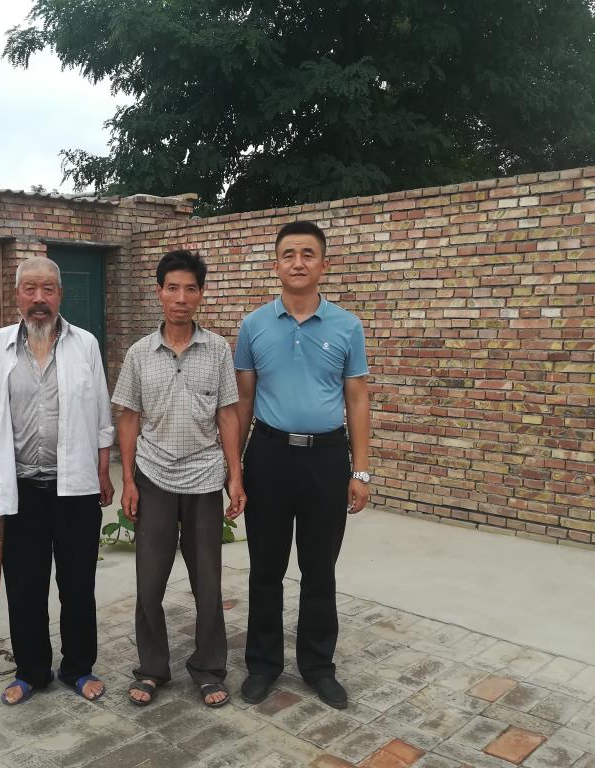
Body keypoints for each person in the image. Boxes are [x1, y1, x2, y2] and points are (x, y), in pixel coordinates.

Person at [235, 221, 371, 710]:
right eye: (289, 254)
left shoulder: (347, 326)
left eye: (308, 254)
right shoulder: (253, 326)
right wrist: (235, 468)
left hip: (327, 458)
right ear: (276, 264)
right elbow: (243, 399)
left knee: (319, 569)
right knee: (265, 568)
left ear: (323, 264)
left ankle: (317, 666)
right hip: (268, 456)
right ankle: (263, 664)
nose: (298, 262)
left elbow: (357, 399)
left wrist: (361, 470)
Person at [0, 255, 115, 706]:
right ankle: (31, 670)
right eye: (30, 289)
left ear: (60, 294)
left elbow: (101, 413)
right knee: (24, 586)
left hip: (75, 488)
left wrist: (103, 471)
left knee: (77, 585)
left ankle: (78, 667)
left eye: (48, 289)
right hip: (22, 487)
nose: (39, 299)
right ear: (17, 295)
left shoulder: (85, 344)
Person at [112, 249, 245, 709]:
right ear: (159, 293)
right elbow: (129, 418)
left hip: (205, 478)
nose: (181, 298)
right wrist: (129, 481)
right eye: (173, 288)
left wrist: (235, 476)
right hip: (153, 477)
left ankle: (208, 668)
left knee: (207, 581)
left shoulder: (218, 350)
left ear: (201, 294)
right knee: (150, 580)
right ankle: (152, 668)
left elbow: (228, 415)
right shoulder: (139, 353)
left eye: (190, 289)